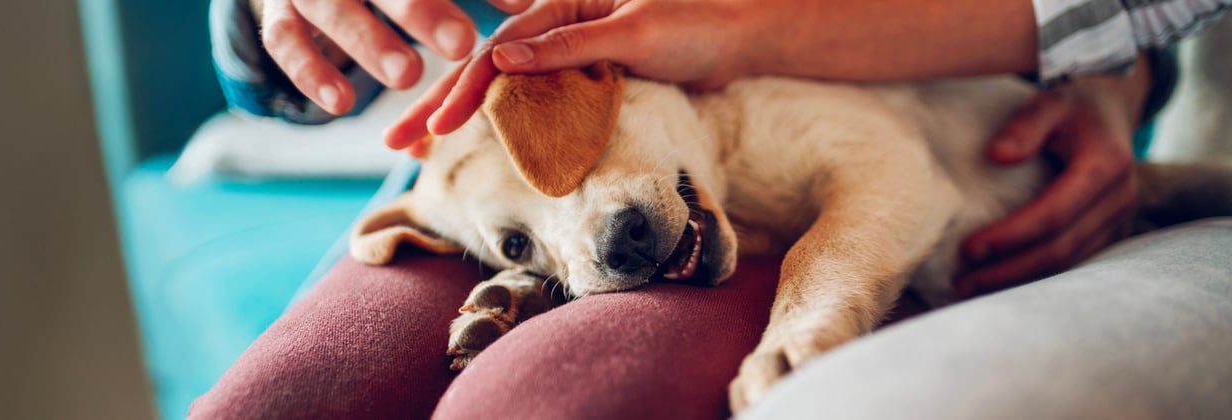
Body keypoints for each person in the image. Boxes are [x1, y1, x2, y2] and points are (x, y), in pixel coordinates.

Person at [194, 0, 1232, 418]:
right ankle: (519, 264)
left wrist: (1108, 76)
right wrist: (260, 19)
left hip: (763, 75)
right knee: (281, 402)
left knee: (545, 405)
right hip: (480, 133)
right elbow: (266, 68)